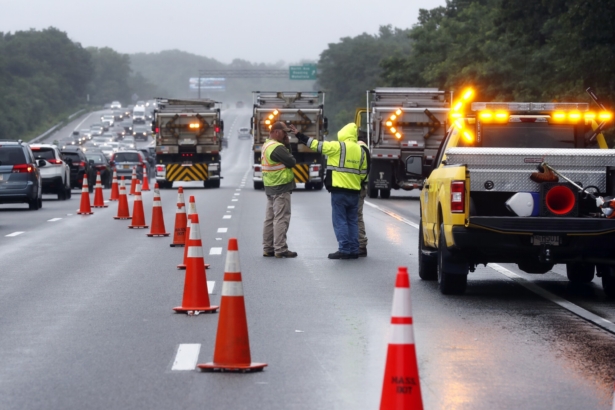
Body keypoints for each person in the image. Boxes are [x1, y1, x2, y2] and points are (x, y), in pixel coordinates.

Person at [292, 123, 368, 259]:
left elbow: (315, 145)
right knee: (352, 220)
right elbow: (363, 173)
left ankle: (344, 249)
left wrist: (299, 135)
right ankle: (354, 249)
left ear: (343, 133)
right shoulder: (360, 150)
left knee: (340, 221)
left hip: (339, 191)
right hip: (355, 191)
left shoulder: (337, 147)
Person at [262, 122, 298, 258]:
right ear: (276, 132)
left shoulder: (267, 145)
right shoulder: (278, 147)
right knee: (281, 218)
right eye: (284, 133)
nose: (285, 135)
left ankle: (268, 248)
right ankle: (280, 249)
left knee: (270, 218)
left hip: (270, 185)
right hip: (280, 185)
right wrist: (288, 145)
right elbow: (292, 162)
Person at [357, 136, 371, 257]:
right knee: (357, 216)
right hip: (362, 186)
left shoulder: (360, 148)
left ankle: (361, 245)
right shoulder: (365, 148)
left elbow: (362, 171)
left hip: (359, 187)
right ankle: (359, 244)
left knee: (356, 216)